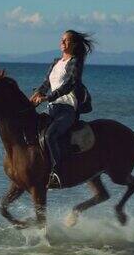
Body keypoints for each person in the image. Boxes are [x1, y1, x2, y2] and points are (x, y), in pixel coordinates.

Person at [30, 30, 94, 187]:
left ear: (73, 44)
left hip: (67, 109)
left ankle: (59, 172)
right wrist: (35, 96)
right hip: (52, 109)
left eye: (66, 40)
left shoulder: (75, 62)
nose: (62, 42)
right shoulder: (55, 62)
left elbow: (70, 84)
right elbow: (46, 84)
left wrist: (49, 97)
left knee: (51, 135)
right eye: (62, 40)